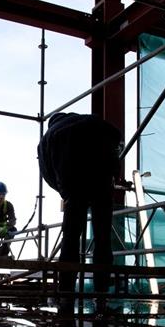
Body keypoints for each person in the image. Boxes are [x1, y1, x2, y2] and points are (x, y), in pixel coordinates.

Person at [38, 113, 122, 296]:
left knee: (71, 238)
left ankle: (66, 289)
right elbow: (116, 140)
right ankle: (102, 290)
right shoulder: (90, 120)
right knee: (102, 237)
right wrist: (113, 175)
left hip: (73, 182)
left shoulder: (48, 137)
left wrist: (65, 192)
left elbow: (47, 171)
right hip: (101, 177)